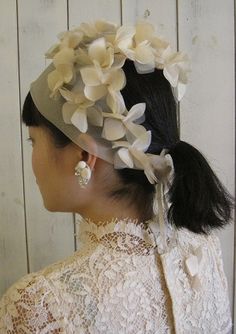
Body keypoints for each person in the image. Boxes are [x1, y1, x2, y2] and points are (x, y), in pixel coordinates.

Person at [0, 20, 233, 333]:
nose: (33, 158)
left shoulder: (39, 305)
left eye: (34, 141)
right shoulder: (201, 248)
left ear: (84, 155)